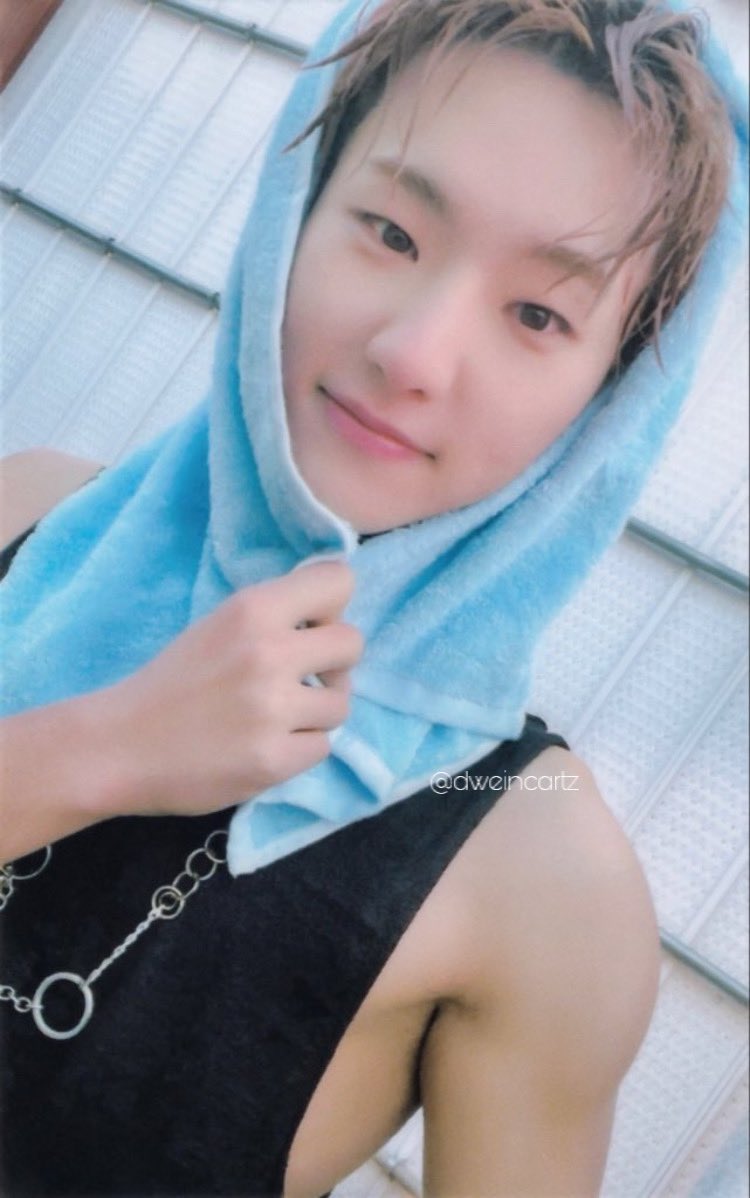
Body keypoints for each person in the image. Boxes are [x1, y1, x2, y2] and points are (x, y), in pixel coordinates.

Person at [0, 0, 743, 1194]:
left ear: (607, 407)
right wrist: (104, 749)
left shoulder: (546, 883)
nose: (415, 352)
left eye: (539, 313)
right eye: (392, 232)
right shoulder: (23, 514)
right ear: (292, 214)